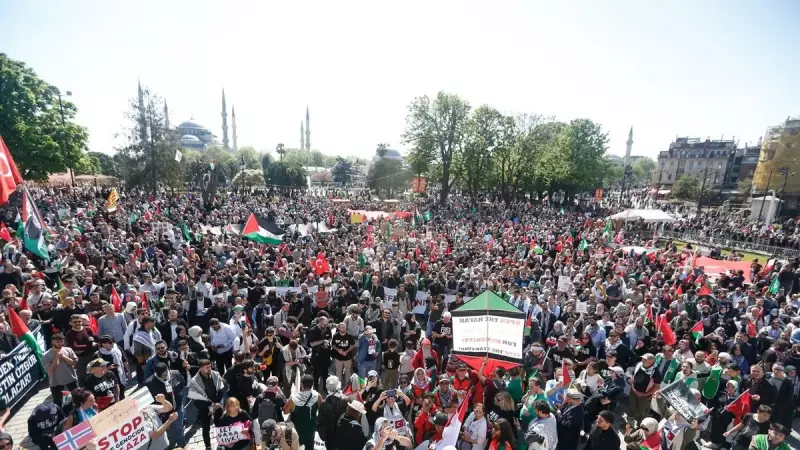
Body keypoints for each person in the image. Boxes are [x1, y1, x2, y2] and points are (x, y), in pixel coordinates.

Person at [188, 359, 225, 450]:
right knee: (206, 427)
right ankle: (208, 446)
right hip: (204, 408)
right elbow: (196, 399)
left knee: (219, 424)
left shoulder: (215, 374)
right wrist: (209, 406)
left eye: (210, 366)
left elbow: (221, 390)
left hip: (217, 404)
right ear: (201, 369)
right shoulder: (194, 381)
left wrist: (216, 403)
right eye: (207, 367)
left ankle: (221, 442)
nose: (210, 369)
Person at [283, 374, 321, 450]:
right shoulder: (317, 396)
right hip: (310, 429)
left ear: (301, 384)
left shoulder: (293, 398)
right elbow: (322, 409)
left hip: (296, 431)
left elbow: (285, 411)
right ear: (312, 384)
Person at [41, 334, 78, 408]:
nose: (60, 343)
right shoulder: (46, 355)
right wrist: (57, 357)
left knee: (76, 398)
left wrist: (64, 357)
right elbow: (50, 370)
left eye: (62, 341)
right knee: (58, 403)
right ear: (52, 342)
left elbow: (73, 363)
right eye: (57, 342)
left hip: (70, 378)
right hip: (56, 382)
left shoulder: (68, 350)